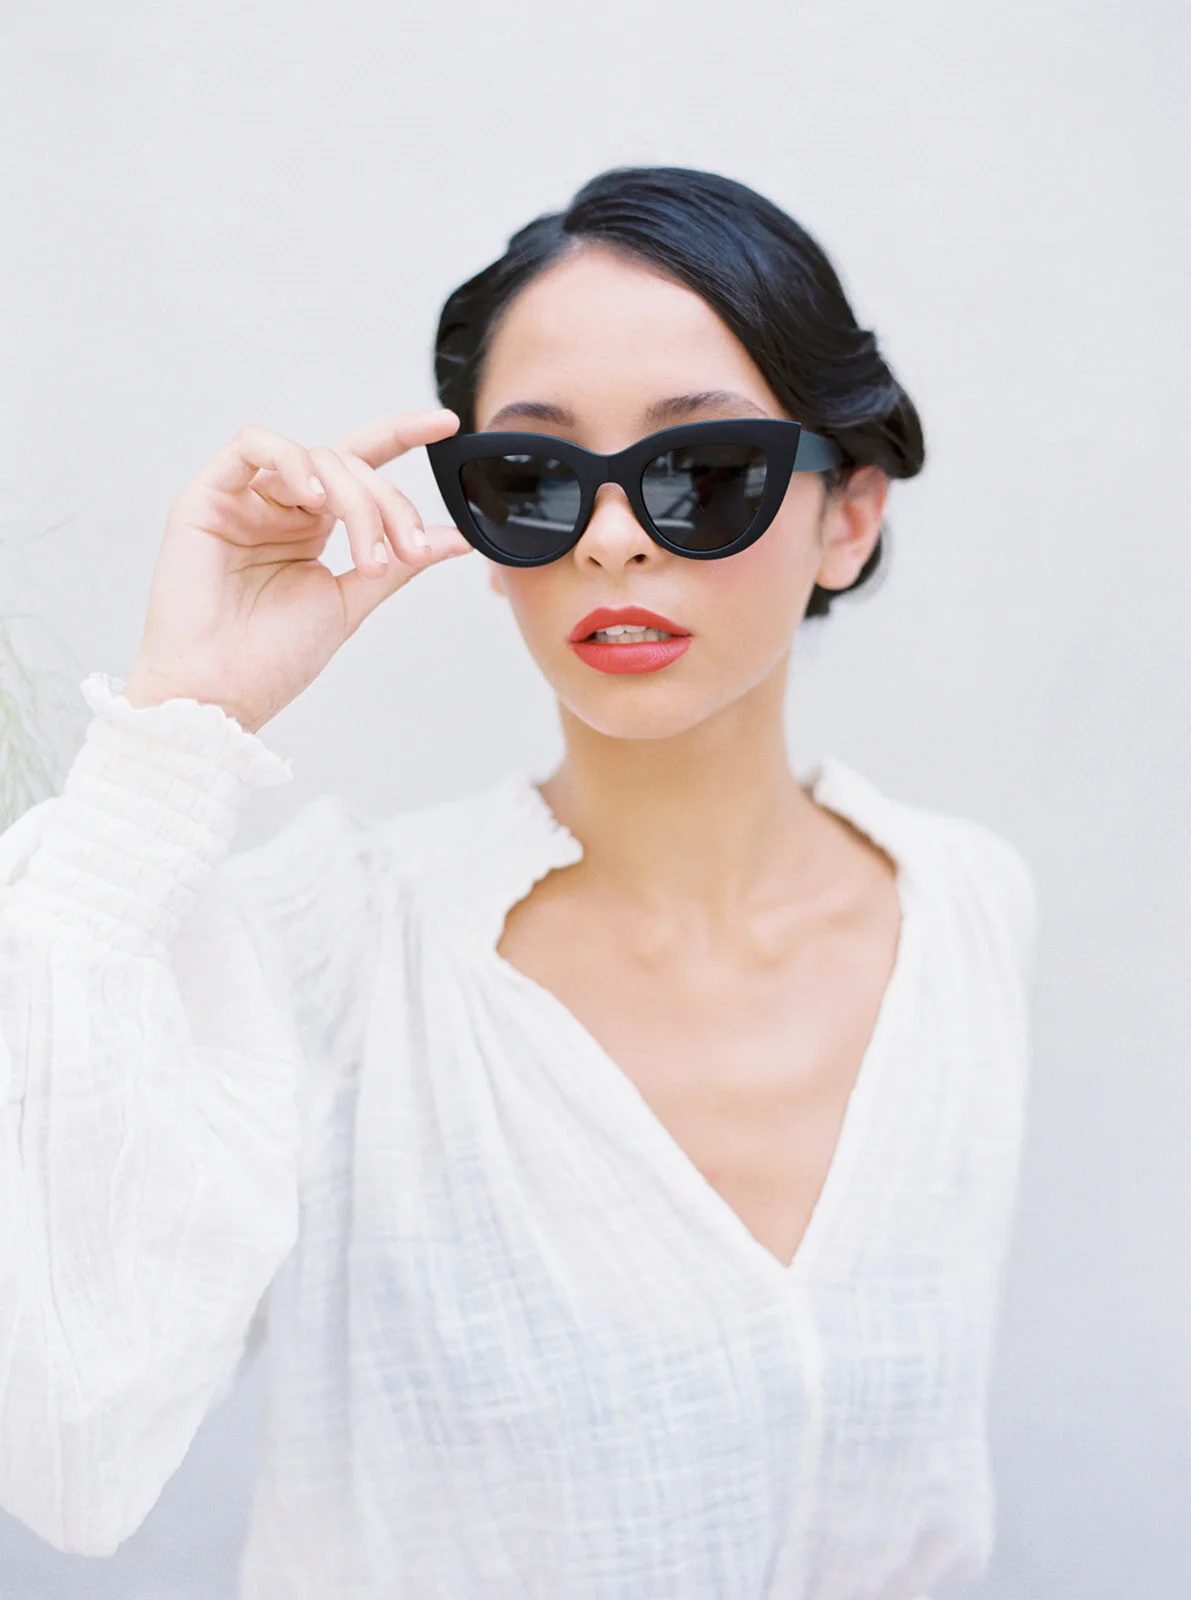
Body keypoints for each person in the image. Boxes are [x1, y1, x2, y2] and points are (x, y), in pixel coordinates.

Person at [0, 166, 1037, 1599]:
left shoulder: (967, 908)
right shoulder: (339, 952)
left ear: (846, 516)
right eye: (534, 481)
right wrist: (181, 719)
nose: (611, 537)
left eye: (703, 472)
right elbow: (60, 1432)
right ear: (484, 537)